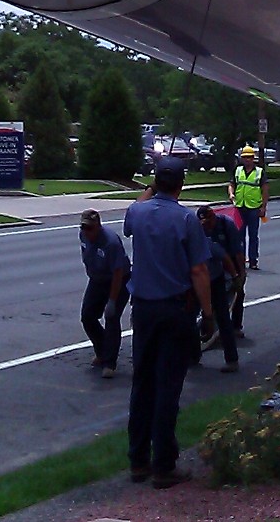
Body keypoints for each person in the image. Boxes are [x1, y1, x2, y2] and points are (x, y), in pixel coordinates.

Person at [123, 157, 214, 490]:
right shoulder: (187, 219)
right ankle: (163, 465)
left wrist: (150, 187)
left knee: (142, 384)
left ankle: (138, 460)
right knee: (167, 388)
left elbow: (136, 207)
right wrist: (208, 312)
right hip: (175, 310)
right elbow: (199, 271)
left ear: (156, 182)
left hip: (143, 310)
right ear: (182, 184)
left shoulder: (138, 212)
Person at [78, 209, 131, 379]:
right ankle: (102, 350)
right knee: (87, 316)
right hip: (97, 279)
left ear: (98, 226)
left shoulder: (110, 242)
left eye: (90, 228)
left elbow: (118, 272)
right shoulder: (83, 236)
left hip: (118, 280)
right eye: (84, 227)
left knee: (111, 318)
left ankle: (110, 362)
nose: (87, 232)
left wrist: (112, 300)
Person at [195, 205, 243, 373]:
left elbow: (228, 258)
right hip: (197, 282)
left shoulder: (220, 232)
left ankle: (232, 359)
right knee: (190, 317)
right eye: (202, 224)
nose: (206, 226)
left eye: (208, 222)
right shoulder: (195, 240)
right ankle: (193, 355)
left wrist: (238, 277)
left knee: (223, 317)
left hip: (216, 279)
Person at [228, 145, 267, 270]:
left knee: (253, 235)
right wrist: (231, 193)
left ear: (253, 158)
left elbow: (265, 190)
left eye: (249, 157)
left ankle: (253, 260)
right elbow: (231, 184)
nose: (247, 160)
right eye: (245, 157)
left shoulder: (259, 172)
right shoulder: (238, 170)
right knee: (239, 236)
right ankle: (241, 259)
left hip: (254, 207)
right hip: (240, 206)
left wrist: (263, 207)